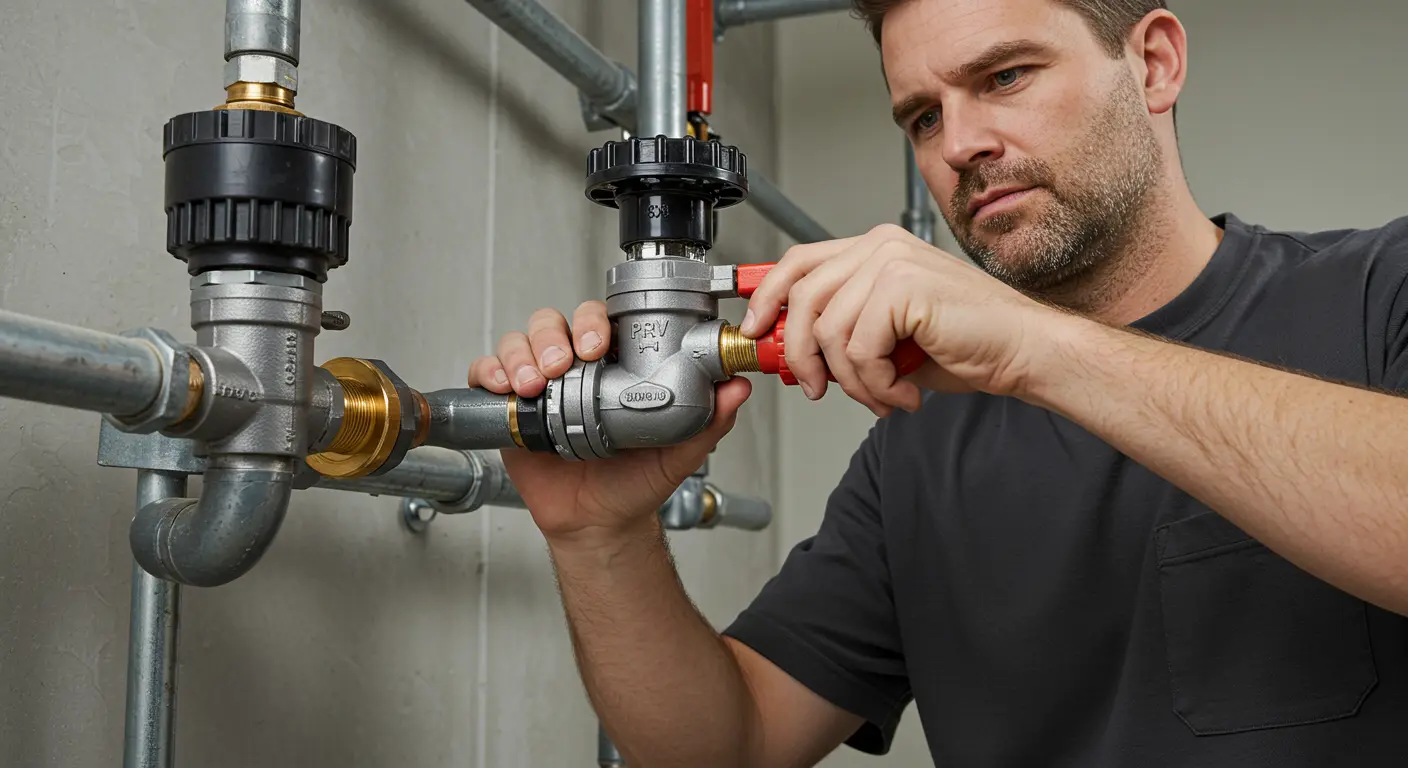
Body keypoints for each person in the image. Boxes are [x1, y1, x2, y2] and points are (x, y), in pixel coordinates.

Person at [467, 0, 1408, 764]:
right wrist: (601, 536)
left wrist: (1040, 351)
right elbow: (730, 745)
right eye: (922, 115)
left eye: (1004, 77)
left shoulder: (1379, 293)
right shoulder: (919, 446)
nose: (959, 144)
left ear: (1154, 63)